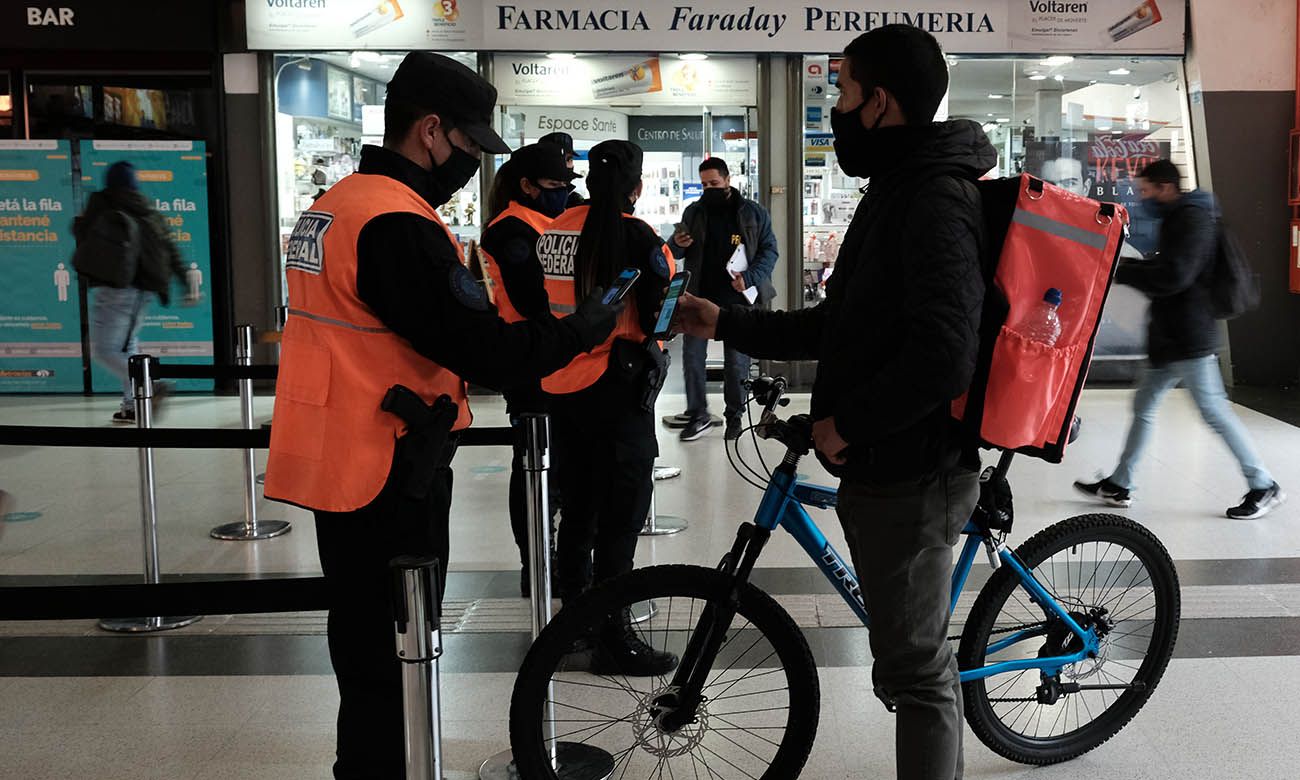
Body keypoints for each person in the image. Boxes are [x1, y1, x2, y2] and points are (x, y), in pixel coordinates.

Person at [263, 52, 622, 780]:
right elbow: (482, 350)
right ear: (430, 130)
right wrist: (581, 331)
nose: (470, 163)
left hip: (340, 454)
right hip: (390, 464)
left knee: (361, 642)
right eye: (467, 144)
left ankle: (372, 765)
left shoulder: (334, 203)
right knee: (392, 646)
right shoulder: (396, 224)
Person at [676, 25, 992, 780]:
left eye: (842, 91)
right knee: (901, 653)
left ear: (879, 102)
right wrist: (730, 321)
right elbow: (840, 323)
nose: (837, 105)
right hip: (886, 464)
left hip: (913, 471)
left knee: (917, 674)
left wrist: (849, 421)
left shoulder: (934, 200)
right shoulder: (896, 190)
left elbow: (945, 355)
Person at [1074, 159, 1285, 519]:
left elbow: (1175, 275)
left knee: (1214, 412)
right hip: (1171, 336)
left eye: (1146, 191)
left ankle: (1263, 484)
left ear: (1165, 188)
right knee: (1144, 406)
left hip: (1189, 337)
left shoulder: (1193, 218)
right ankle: (1120, 482)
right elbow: (1169, 268)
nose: (1142, 199)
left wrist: (1123, 272)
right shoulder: (1180, 217)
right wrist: (1128, 271)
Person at [539, 139, 678, 676]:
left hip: (561, 382)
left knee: (576, 507)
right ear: (636, 186)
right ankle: (613, 638)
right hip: (617, 391)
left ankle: (574, 620)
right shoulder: (640, 236)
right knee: (621, 517)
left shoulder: (553, 231)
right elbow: (658, 319)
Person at [480, 143, 580, 596]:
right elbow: (531, 300)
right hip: (530, 364)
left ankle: (548, 558)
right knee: (536, 469)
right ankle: (538, 564)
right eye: (556, 187)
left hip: (553, 361)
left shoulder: (543, 223)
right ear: (527, 186)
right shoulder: (511, 231)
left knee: (555, 469)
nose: (564, 194)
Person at [667, 157, 778, 442]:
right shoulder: (694, 212)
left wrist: (750, 277)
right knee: (692, 357)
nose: (709, 188)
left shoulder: (753, 213)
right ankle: (697, 414)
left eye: (714, 183)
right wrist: (675, 245)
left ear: (728, 180)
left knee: (736, 362)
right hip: (698, 296)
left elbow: (769, 250)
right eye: (704, 185)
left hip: (738, 299)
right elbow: (675, 249)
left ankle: (735, 416)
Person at [73, 161, 191, 424]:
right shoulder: (147, 210)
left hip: (115, 288)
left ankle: (151, 385)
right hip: (143, 291)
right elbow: (170, 248)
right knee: (128, 345)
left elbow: (82, 237)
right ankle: (133, 404)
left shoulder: (103, 204)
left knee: (105, 350)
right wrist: (185, 282)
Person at [538, 130, 585, 207]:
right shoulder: (533, 197)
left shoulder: (575, 201)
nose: (564, 164)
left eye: (569, 159)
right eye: (557, 158)